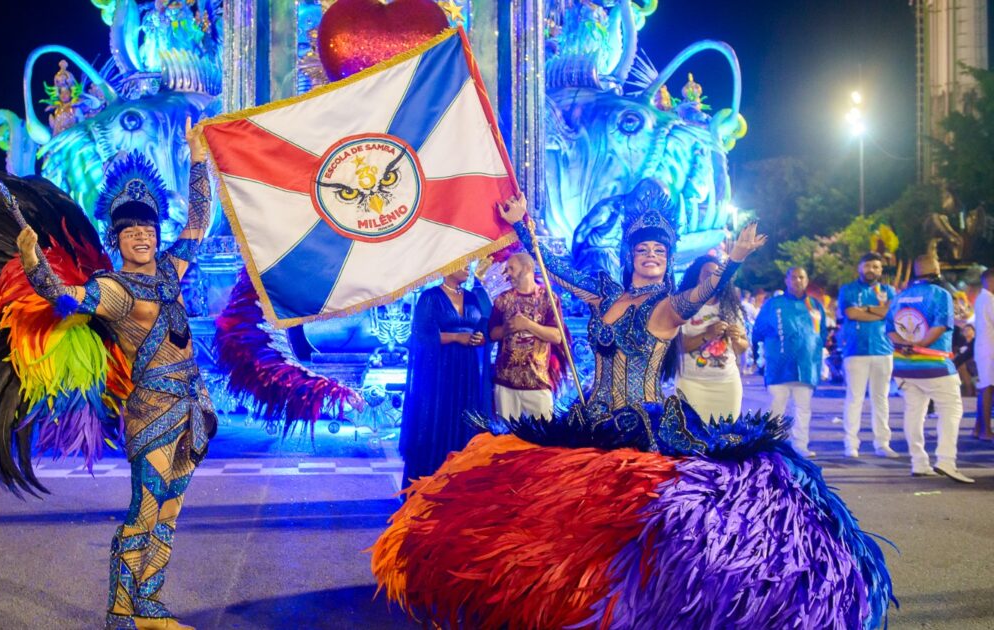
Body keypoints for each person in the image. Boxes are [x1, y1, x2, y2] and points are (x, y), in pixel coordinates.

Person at [371, 182, 891, 629]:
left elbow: (699, 294)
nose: (651, 257)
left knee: (627, 516)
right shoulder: (604, 293)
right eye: (643, 250)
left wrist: (731, 263)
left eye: (660, 254)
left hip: (640, 420)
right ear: (629, 255)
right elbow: (554, 270)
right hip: (590, 417)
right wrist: (523, 224)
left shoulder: (668, 305)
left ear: (668, 263)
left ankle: (634, 602)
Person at [0, 120, 218, 629]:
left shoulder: (172, 270)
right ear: (116, 238)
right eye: (131, 230)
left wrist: (199, 156)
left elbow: (199, 219)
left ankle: (151, 605)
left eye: (148, 228)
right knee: (145, 512)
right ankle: (120, 612)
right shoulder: (113, 289)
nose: (142, 235)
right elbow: (63, 298)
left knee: (171, 514)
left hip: (192, 408)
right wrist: (30, 259)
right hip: (152, 411)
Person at [399, 266, 491, 489]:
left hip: (467, 370)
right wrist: (456, 337)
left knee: (465, 418)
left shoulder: (471, 297)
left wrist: (479, 339)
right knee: (439, 416)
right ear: (449, 267)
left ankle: (461, 483)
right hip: (439, 371)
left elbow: (483, 329)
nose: (468, 270)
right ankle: (431, 482)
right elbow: (421, 335)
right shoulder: (430, 297)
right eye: (463, 265)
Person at [887, 256, 975, 483]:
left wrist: (906, 345)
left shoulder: (900, 297)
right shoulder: (940, 294)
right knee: (951, 409)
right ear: (936, 269)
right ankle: (946, 460)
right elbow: (940, 326)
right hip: (934, 364)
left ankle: (919, 462)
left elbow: (890, 330)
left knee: (914, 411)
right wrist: (920, 345)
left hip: (904, 366)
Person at [752, 267, 828, 458]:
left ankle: (800, 446)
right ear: (786, 280)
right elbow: (758, 331)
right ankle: (772, 447)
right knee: (776, 407)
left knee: (803, 409)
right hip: (779, 367)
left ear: (807, 280)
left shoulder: (815, 306)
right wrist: (761, 358)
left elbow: (823, 334)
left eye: (801, 277)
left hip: (807, 366)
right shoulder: (774, 304)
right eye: (793, 277)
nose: (797, 281)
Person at [837, 252, 899, 458]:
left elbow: (890, 313)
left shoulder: (889, 290)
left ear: (881, 270)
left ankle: (882, 444)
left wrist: (866, 310)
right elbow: (851, 313)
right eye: (867, 266)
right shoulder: (848, 290)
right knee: (854, 399)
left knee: (881, 399)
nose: (871, 270)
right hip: (855, 351)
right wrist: (878, 311)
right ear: (859, 268)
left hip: (883, 350)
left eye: (875, 266)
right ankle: (850, 444)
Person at [488, 252, 562, 421]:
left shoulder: (548, 299)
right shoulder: (502, 299)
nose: (508, 274)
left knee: (542, 441)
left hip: (537, 382)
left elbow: (557, 336)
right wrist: (508, 328)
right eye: (507, 270)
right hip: (505, 383)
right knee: (506, 439)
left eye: (511, 269)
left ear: (528, 268)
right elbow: (492, 334)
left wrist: (528, 325)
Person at [675, 254, 748, 422]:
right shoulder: (683, 306)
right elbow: (677, 347)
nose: (713, 278)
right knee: (692, 437)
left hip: (727, 384)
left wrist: (737, 339)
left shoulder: (731, 307)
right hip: (690, 383)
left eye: (717, 274)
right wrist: (706, 335)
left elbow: (742, 346)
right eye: (707, 273)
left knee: (726, 440)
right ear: (696, 276)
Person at [975, 269, 994, 440]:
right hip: (988, 349)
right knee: (987, 388)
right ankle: (985, 431)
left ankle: (979, 428)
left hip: (984, 348)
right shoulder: (989, 300)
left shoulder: (982, 298)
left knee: (985, 388)